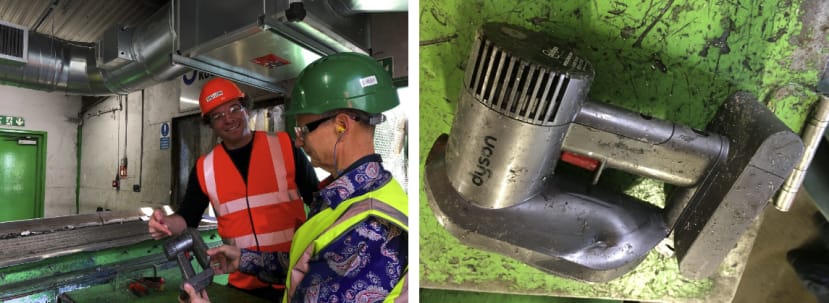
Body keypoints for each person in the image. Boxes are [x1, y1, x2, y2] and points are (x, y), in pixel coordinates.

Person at [182, 52, 408, 303]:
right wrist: (245, 259)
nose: (298, 141)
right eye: (217, 116)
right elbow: (313, 264)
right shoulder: (351, 196)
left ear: (341, 125)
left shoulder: (368, 230)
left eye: (304, 129)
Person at [148, 77, 318, 301]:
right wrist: (166, 224)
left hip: (293, 275)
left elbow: (319, 203)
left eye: (233, 108)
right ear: (210, 123)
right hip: (241, 280)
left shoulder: (285, 146)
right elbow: (187, 218)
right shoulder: (204, 168)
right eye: (217, 116)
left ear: (246, 109)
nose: (228, 119)